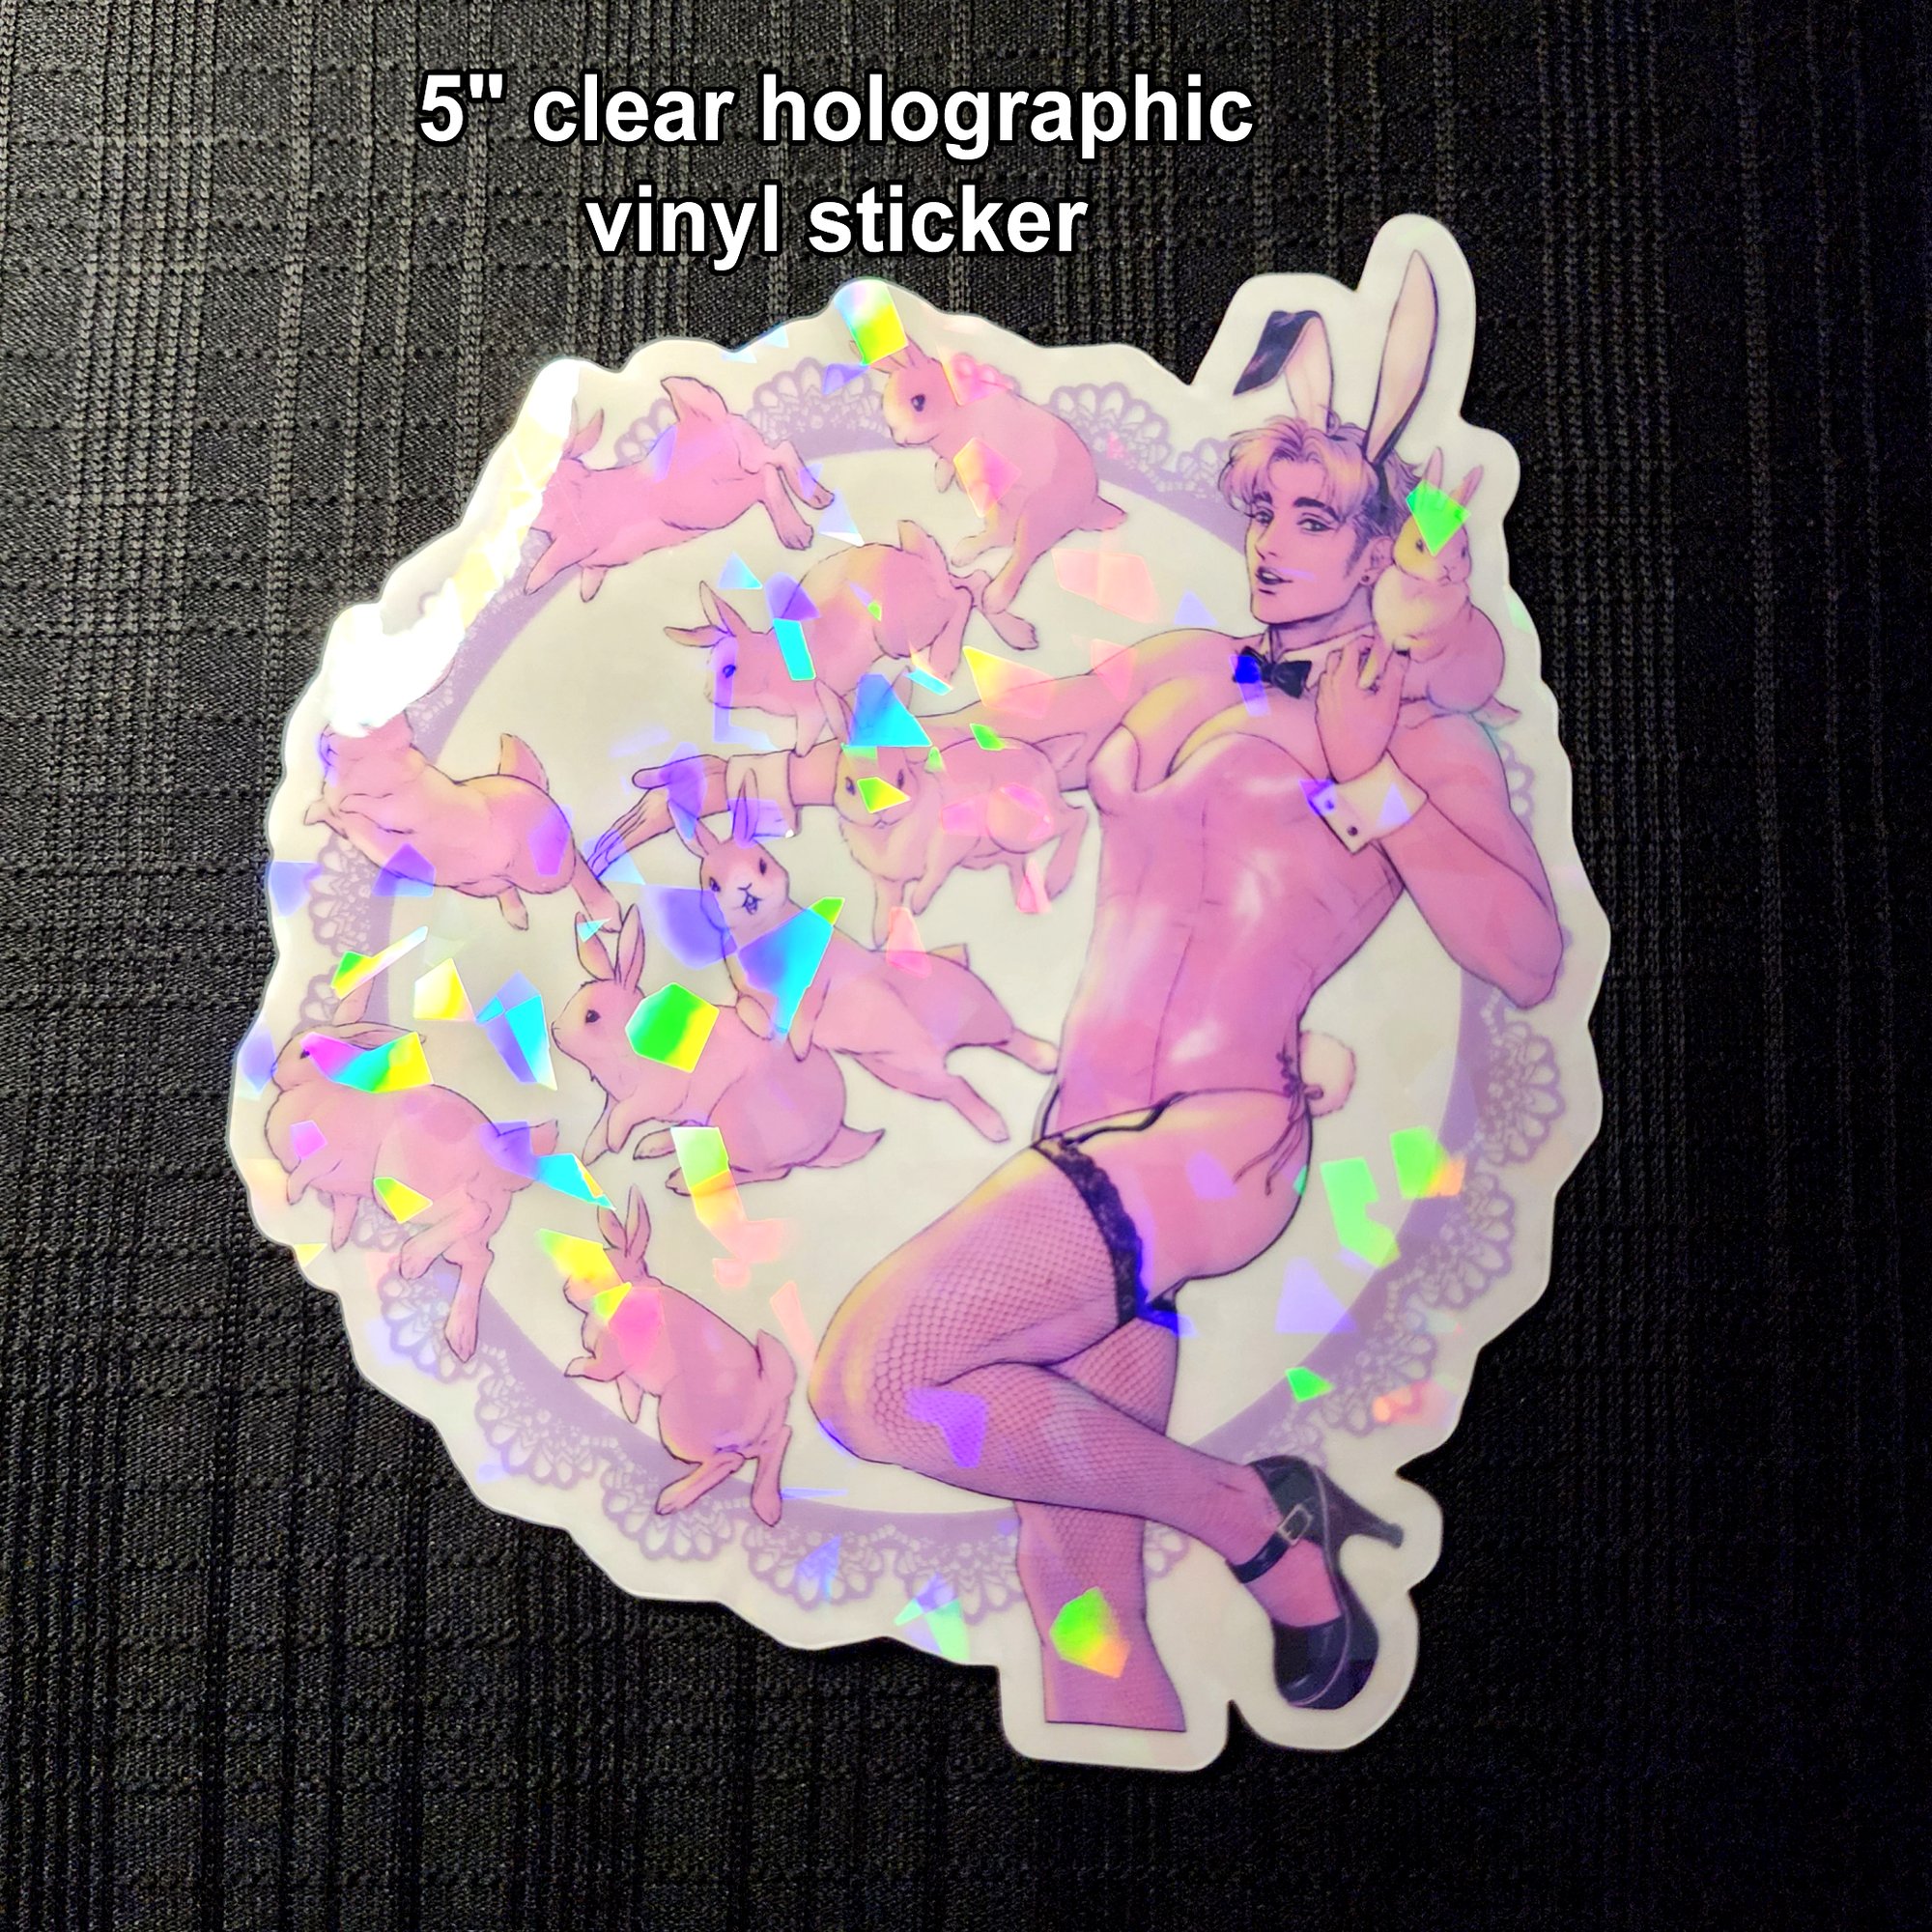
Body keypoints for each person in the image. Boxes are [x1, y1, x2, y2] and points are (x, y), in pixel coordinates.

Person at [604, 257, 1564, 1723]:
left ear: (1382, 547)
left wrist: (1368, 783)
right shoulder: (1182, 669)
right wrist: (748, 782)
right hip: (1089, 1134)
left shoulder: (1420, 737)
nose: (1272, 543)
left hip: (1214, 1143)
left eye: (1314, 519)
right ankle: (1176, 1708)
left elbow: (1527, 955)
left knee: (874, 1384)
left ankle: (1254, 1518)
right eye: (1263, 511)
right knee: (1084, 1617)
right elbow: (968, 755)